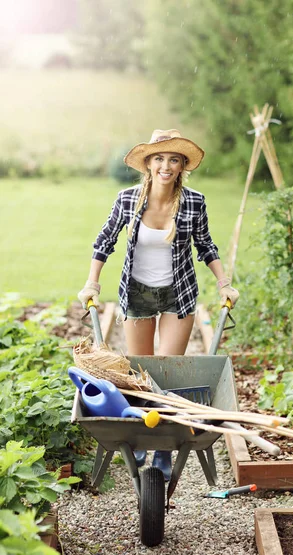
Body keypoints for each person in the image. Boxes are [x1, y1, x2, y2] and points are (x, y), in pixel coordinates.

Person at [78, 129, 239, 480]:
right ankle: (138, 442)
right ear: (149, 164)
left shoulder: (194, 202)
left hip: (177, 295)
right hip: (136, 293)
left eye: (174, 159)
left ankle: (163, 450)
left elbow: (206, 246)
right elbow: (104, 240)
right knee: (142, 376)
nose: (166, 165)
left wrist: (224, 283)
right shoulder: (127, 200)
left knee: (166, 375)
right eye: (159, 158)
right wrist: (92, 281)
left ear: (182, 167)